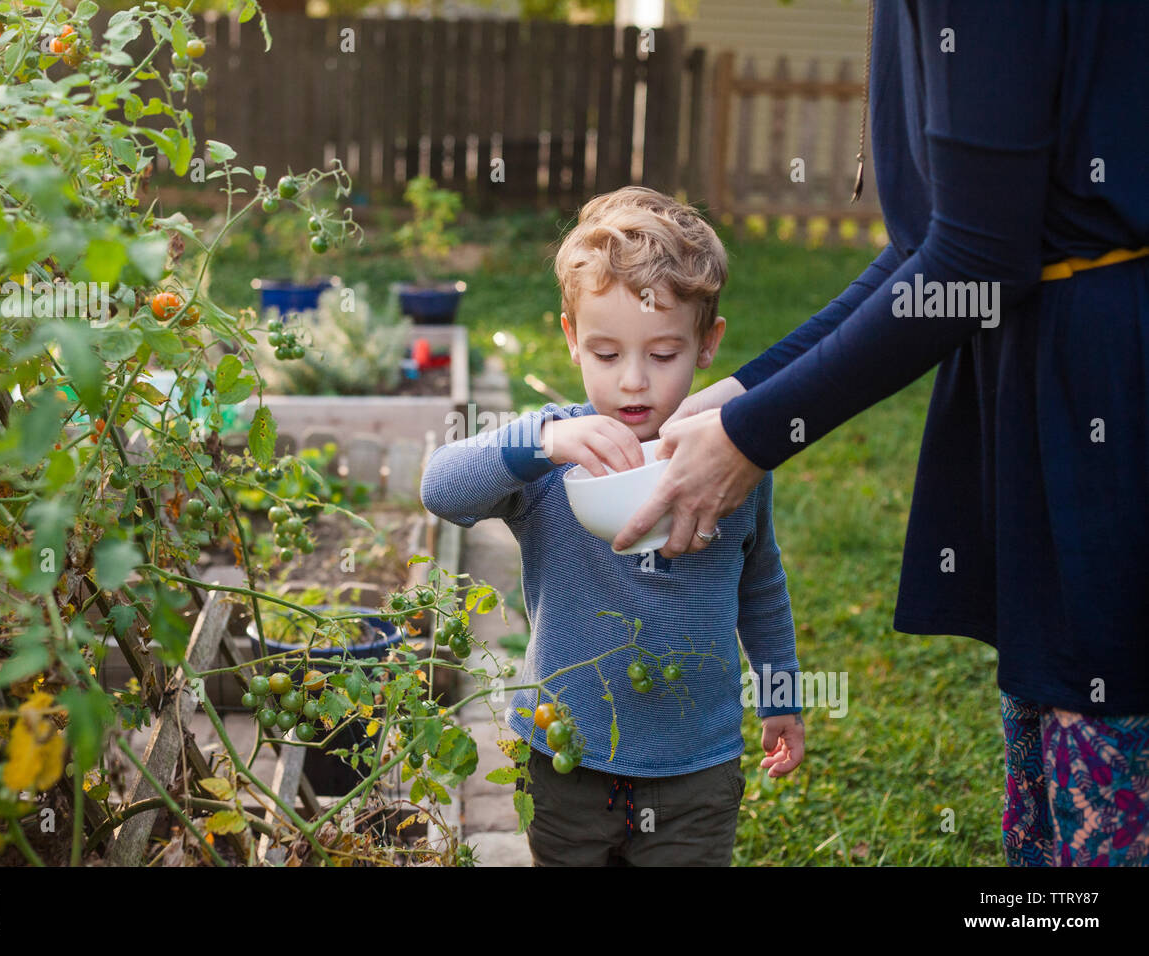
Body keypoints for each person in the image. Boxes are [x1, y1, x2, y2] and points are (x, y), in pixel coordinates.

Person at [614, 1, 1149, 866]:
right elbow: (929, 249)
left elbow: (977, 262)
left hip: (1106, 378)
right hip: (1045, 364)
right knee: (1056, 696)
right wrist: (741, 395)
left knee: (1106, 705)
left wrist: (750, 441)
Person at [420, 186, 804, 866]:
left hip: (695, 769)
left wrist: (781, 694)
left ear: (706, 344)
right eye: (606, 354)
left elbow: (761, 583)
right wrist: (543, 439)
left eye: (662, 356)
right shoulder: (551, 458)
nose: (634, 384)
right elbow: (442, 489)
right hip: (564, 759)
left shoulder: (729, 461)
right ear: (571, 339)